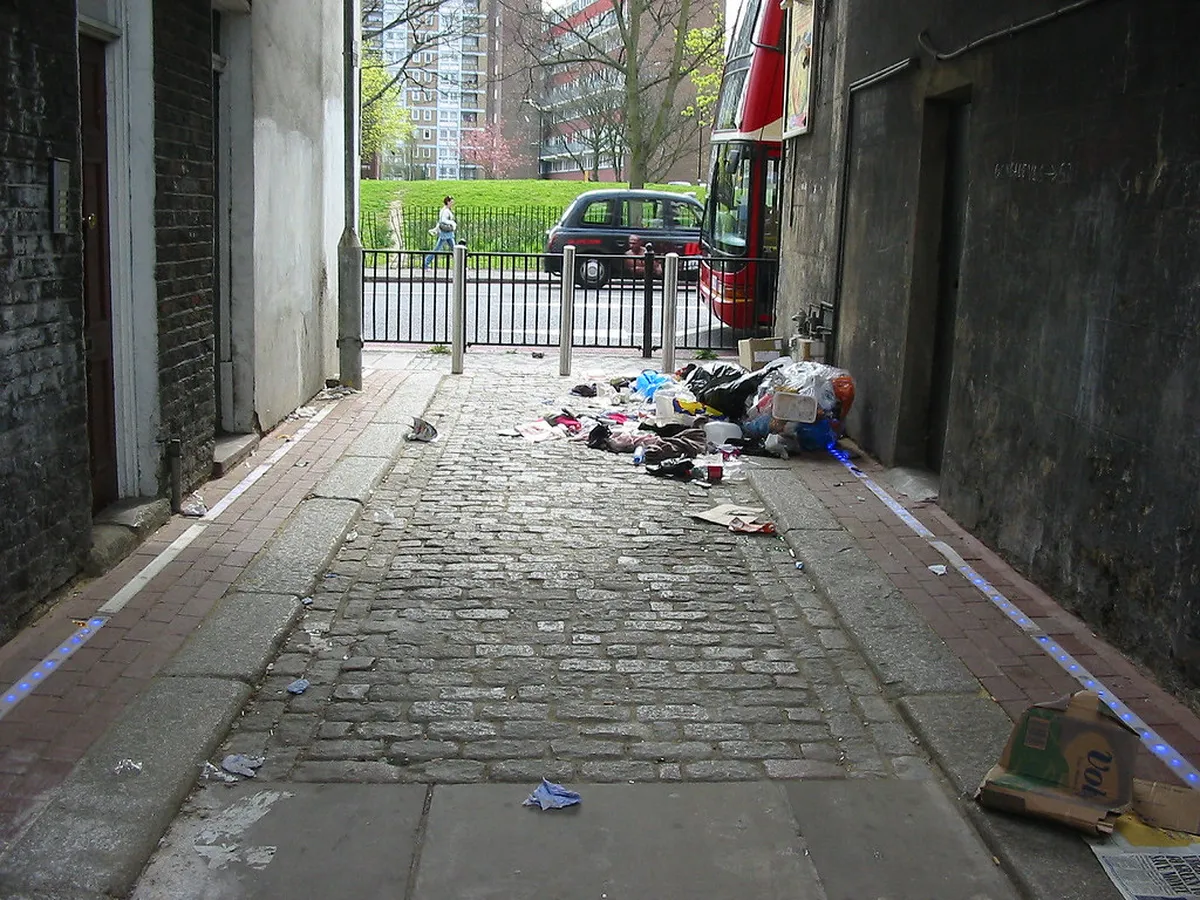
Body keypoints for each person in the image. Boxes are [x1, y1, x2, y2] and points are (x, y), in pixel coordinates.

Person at [423, 196, 457, 267]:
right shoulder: (446, 211)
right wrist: (452, 223)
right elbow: (443, 221)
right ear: (448, 202)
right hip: (446, 232)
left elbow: (440, 221)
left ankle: (461, 264)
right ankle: (425, 263)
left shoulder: (445, 210)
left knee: (454, 249)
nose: (452, 203)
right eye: (451, 202)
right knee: (438, 249)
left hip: (447, 233)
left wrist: (436, 229)